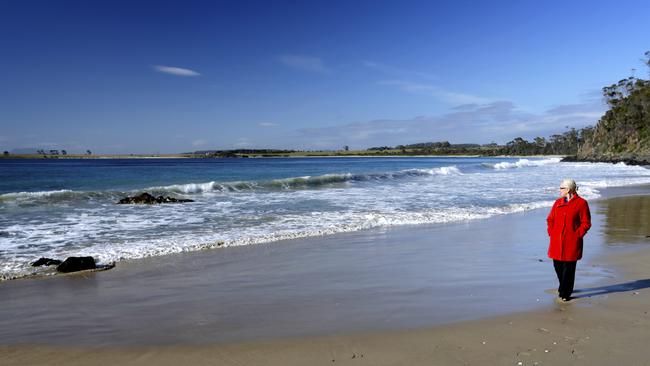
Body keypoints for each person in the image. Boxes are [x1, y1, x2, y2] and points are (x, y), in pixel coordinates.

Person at [546, 179, 591, 302]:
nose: (559, 190)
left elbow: (586, 223)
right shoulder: (557, 202)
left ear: (569, 189)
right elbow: (550, 219)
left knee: (569, 268)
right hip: (556, 241)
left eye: (562, 188)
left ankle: (566, 293)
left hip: (572, 241)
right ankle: (563, 286)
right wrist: (551, 232)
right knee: (558, 266)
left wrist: (577, 235)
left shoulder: (582, 203)